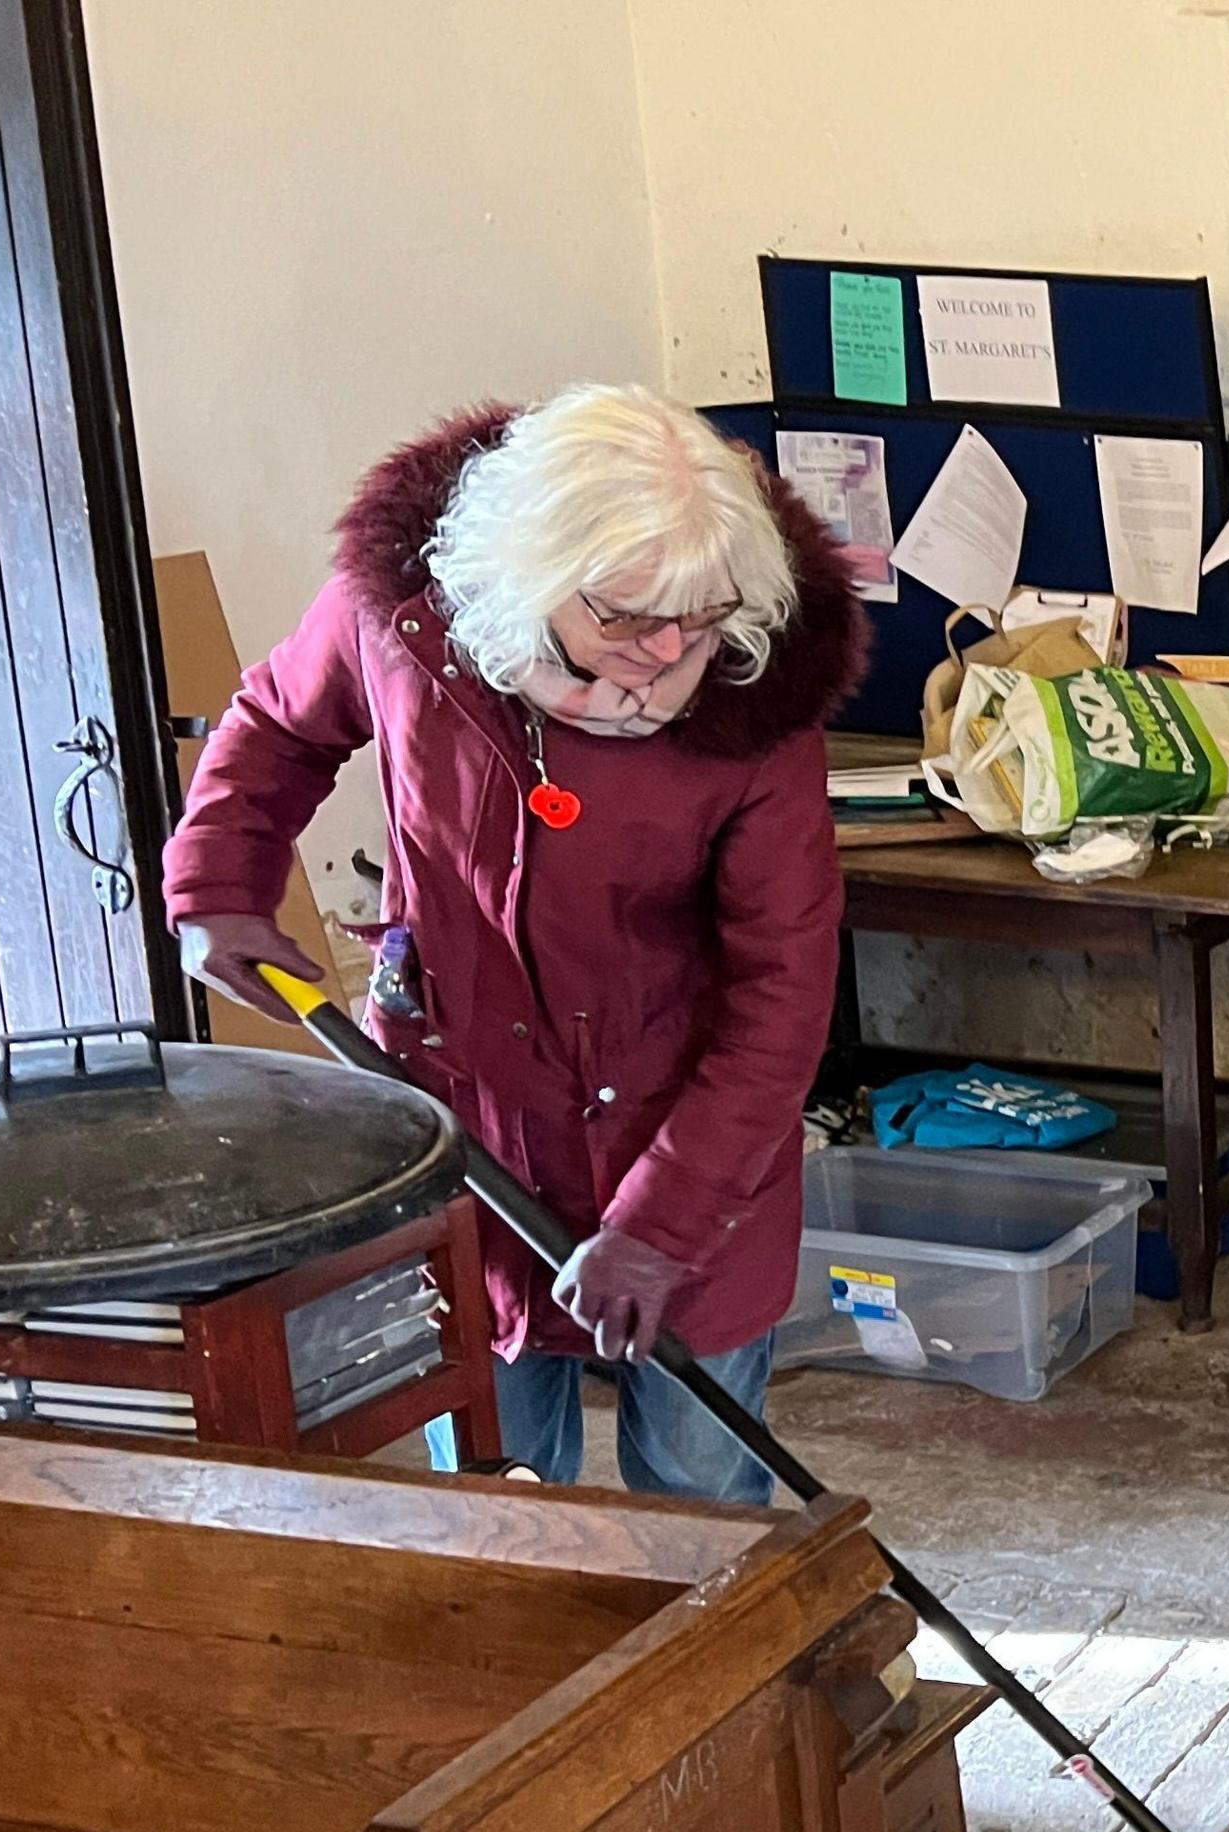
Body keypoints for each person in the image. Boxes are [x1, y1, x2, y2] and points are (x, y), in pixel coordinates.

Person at [165, 384, 864, 1502]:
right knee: (495, 1488)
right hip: (465, 1123)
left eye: (698, 627)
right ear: (514, 594)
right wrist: (218, 880)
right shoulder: (399, 626)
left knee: (702, 1500)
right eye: (617, 632)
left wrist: (663, 1226)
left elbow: (784, 995)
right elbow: (279, 725)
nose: (658, 668)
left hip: (687, 1137)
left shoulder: (755, 709)